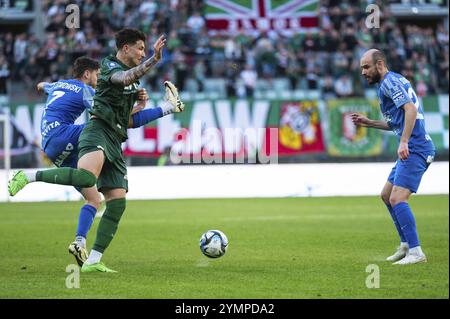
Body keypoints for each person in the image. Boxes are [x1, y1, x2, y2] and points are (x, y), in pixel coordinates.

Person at [9, 28, 184, 272]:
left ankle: (91, 259)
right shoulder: (109, 67)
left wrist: (146, 103)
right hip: (95, 131)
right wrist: (154, 60)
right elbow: (118, 86)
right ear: (125, 48)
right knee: (86, 176)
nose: (144, 53)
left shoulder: (75, 84)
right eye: (141, 48)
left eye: (146, 50)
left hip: (108, 138)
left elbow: (127, 120)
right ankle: (27, 176)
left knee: (113, 201)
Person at [352, 49, 435, 265]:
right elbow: (396, 122)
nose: (363, 72)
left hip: (417, 147)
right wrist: (370, 123)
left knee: (398, 199)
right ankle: (406, 245)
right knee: (386, 195)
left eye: (366, 66)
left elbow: (410, 111)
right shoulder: (390, 83)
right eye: (362, 67)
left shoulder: (389, 82)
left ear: (379, 64)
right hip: (414, 145)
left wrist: (404, 141)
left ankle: (416, 252)